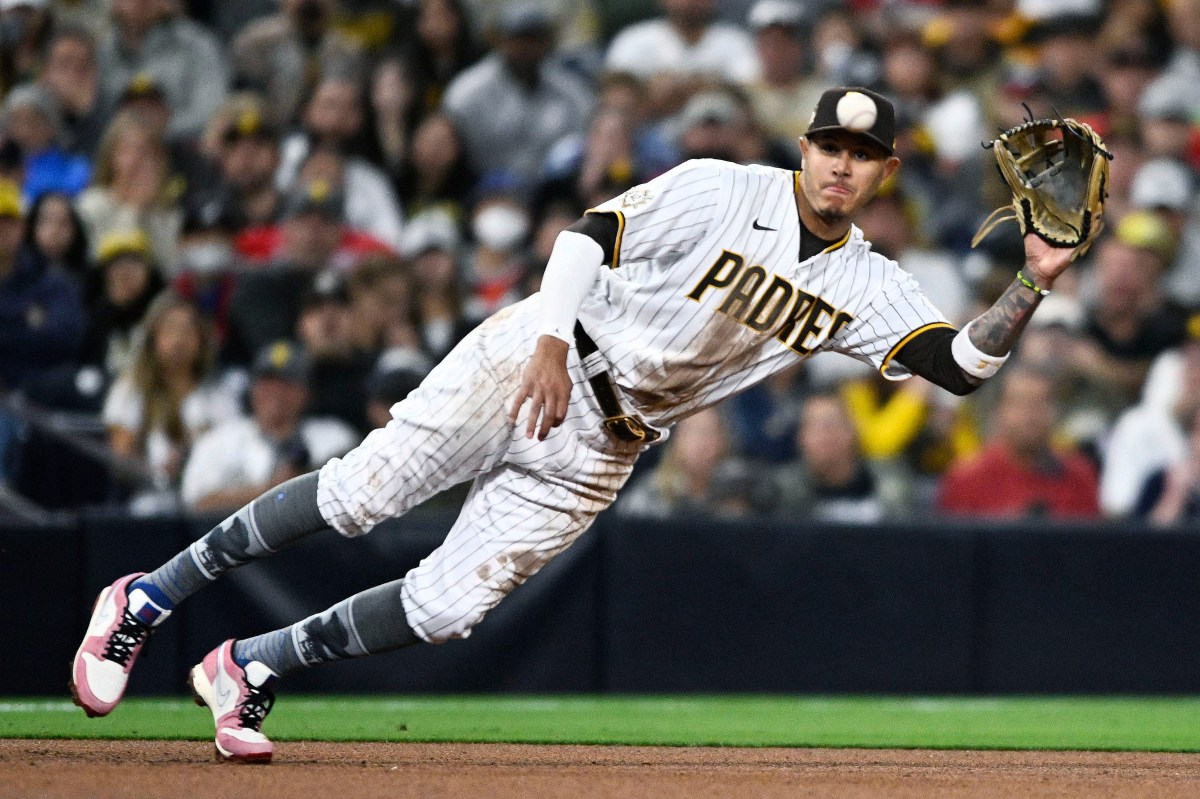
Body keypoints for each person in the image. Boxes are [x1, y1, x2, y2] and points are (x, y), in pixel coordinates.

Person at [70, 87, 1083, 763]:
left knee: (445, 608)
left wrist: (1028, 288)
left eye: (863, 155)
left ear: (887, 170)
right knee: (358, 495)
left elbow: (954, 368)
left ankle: (247, 665)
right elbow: (584, 235)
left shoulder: (870, 280)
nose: (840, 166)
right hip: (539, 355)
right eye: (829, 144)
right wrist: (551, 340)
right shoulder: (721, 187)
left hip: (610, 441)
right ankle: (147, 597)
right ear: (805, 146)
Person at [180, 340, 357, 513]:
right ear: (252, 387)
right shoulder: (218, 441)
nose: (275, 392)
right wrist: (272, 491)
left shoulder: (335, 437)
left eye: (286, 383)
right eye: (267, 382)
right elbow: (195, 502)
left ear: (306, 391)